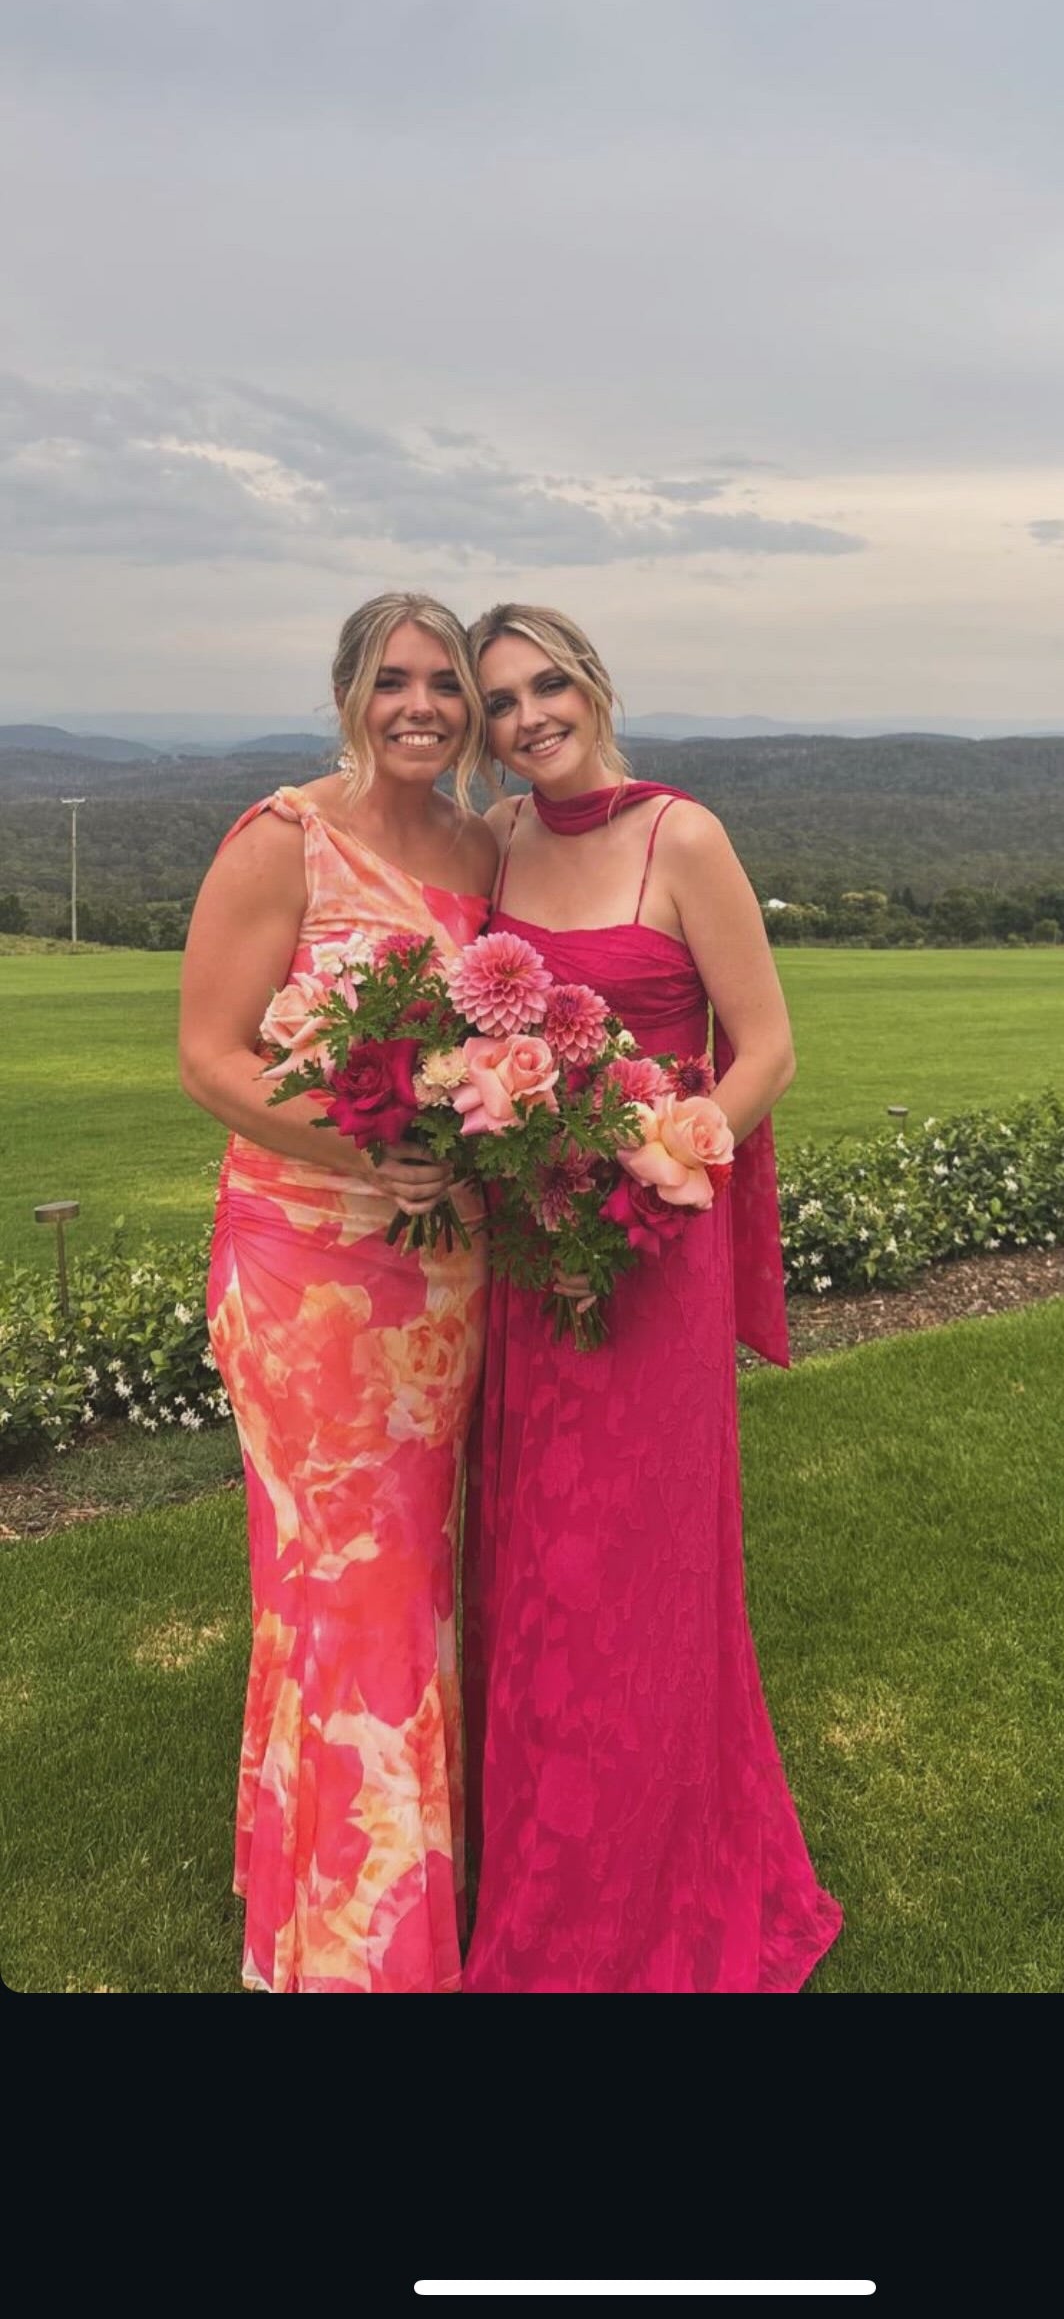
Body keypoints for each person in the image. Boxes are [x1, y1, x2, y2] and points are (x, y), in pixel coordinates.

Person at [461, 602, 843, 1991]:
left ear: (592, 687)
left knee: (634, 1568)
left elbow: (768, 1046)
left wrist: (679, 1151)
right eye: (498, 703)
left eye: (544, 686)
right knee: (528, 1562)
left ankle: (640, 1896)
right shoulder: (495, 842)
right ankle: (540, 1874)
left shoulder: (684, 834)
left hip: (654, 1250)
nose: (525, 719)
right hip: (529, 1252)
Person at [179, 592, 497, 1993]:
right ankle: (345, 1947)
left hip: (444, 1279)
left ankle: (393, 1882)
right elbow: (211, 1056)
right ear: (349, 695)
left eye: (446, 684)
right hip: (305, 1264)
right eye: (394, 681)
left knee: (420, 1570)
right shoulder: (282, 837)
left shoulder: (489, 850)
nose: (421, 704)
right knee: (334, 1581)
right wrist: (376, 1143)